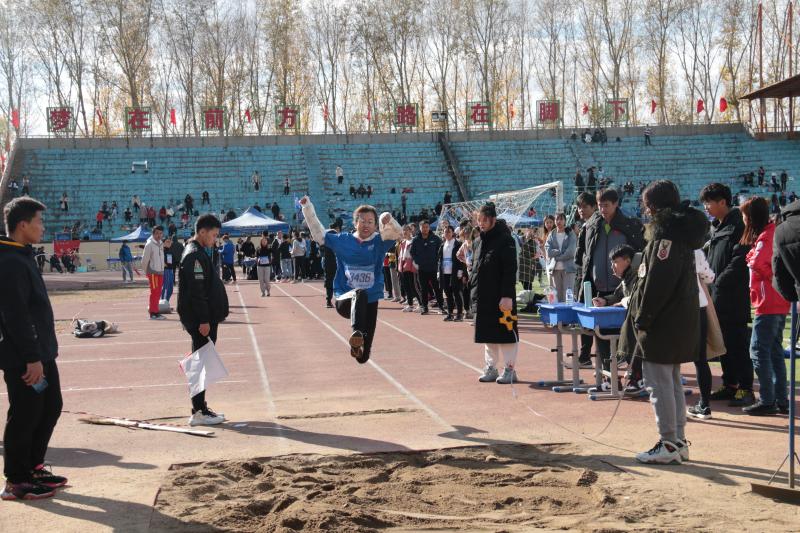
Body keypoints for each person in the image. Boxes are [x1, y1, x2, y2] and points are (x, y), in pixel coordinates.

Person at [619, 180, 709, 464]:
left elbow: (657, 285)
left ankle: (669, 442)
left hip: (663, 323)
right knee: (671, 382)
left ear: (655, 207)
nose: (646, 211)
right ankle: (677, 441)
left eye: (648, 206)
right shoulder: (680, 236)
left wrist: (643, 318)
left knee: (659, 384)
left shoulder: (665, 241)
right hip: (677, 320)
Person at [0, 197, 66, 500]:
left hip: (41, 352)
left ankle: (33, 466)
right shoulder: (9, 262)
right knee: (25, 413)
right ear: (22, 225)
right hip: (24, 356)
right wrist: (31, 357)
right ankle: (16, 479)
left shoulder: (22, 255)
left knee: (50, 406)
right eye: (39, 222)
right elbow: (15, 315)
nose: (43, 227)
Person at [300, 196, 402, 364]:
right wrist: (308, 208)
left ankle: (358, 346)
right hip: (345, 299)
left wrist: (388, 218)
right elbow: (319, 234)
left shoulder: (379, 242)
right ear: (355, 223)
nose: (366, 225)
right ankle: (356, 333)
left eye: (370, 222)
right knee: (359, 293)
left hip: (370, 302)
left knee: (363, 357)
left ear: (375, 226)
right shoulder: (343, 240)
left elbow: (397, 233)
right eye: (362, 221)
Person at [700, 183, 755, 406]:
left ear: (723, 202)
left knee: (737, 343)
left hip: (733, 297)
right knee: (722, 343)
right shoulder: (716, 227)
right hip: (715, 295)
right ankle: (730, 383)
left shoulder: (739, 225)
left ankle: (746, 389)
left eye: (709, 202)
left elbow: (740, 260)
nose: (706, 207)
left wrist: (719, 282)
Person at [577, 189, 644, 369]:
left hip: (623, 289)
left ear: (616, 204)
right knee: (601, 333)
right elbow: (583, 256)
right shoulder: (592, 225)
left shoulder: (630, 225)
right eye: (600, 205)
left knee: (625, 333)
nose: (602, 209)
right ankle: (606, 371)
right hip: (599, 288)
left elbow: (639, 253)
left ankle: (631, 370)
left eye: (606, 205)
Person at [738, 197, 791, 416]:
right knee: (775, 351)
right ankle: (780, 399)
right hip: (776, 301)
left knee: (758, 351)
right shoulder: (770, 233)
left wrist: (769, 277)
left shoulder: (766, 236)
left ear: (751, 217)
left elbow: (758, 262)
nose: (743, 219)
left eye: (744, 215)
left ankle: (768, 399)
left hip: (768, 302)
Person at [177, 215, 229, 426]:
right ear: (202, 232)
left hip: (202, 318)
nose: (215, 239)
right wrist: (204, 320)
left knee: (201, 362)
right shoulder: (195, 255)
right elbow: (197, 292)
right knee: (200, 364)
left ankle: (200, 408)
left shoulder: (198, 252)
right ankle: (198, 412)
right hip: (200, 321)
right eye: (214, 235)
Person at [470, 203, 519, 384]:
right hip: (483, 297)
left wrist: (507, 296)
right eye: (479, 220)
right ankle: (490, 367)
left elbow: (510, 270)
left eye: (485, 220)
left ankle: (510, 369)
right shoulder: (477, 242)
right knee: (487, 334)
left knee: (506, 334)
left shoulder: (506, 240)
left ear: (493, 219)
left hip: (501, 297)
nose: (481, 223)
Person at [592, 244, 644, 394]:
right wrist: (604, 300)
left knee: (630, 334)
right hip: (628, 322)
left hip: (642, 324)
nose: (612, 266)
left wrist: (622, 301)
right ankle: (611, 379)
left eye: (615, 262)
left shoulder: (639, 276)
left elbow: (637, 299)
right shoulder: (626, 278)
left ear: (627, 261)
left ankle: (637, 378)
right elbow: (617, 295)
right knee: (601, 331)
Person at [686, 248, 717, 420]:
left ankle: (672, 406)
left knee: (669, 359)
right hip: (698, 306)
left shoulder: (661, 246)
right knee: (700, 359)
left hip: (674, 309)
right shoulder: (695, 250)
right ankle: (705, 405)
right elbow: (709, 277)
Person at [410, 220, 444, 315]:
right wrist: (417, 261)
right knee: (423, 289)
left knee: (436, 288)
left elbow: (440, 250)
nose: (425, 229)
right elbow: (412, 252)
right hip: (422, 268)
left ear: (429, 228)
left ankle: (441, 306)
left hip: (433, 268)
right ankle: (425, 307)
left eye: (427, 227)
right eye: (423, 227)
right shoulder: (416, 240)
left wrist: (436, 260)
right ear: (420, 228)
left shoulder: (435, 238)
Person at [545, 212, 577, 302]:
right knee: (557, 296)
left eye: (561, 219)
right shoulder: (551, 234)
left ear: (565, 221)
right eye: (557, 219)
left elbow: (570, 252)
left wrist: (557, 257)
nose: (559, 221)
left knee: (568, 296)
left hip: (568, 269)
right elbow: (548, 251)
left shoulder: (570, 233)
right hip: (554, 269)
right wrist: (559, 252)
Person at [438, 225, 466, 321]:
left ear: (453, 233)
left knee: (456, 293)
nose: (447, 233)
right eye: (445, 232)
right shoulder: (443, 245)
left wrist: (461, 271)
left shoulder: (458, 244)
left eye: (449, 232)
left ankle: (459, 314)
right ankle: (450, 313)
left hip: (455, 272)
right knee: (447, 293)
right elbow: (440, 259)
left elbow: (462, 258)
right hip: (445, 272)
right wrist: (439, 271)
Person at [141, 225, 166, 320]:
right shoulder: (149, 244)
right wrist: (147, 271)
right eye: (157, 233)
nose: (159, 235)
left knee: (158, 292)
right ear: (153, 234)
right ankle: (153, 313)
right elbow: (144, 260)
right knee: (154, 292)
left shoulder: (161, 243)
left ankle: (156, 312)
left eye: (161, 233)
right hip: (153, 272)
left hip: (160, 272)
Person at [397, 225, 419, 312]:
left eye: (406, 230)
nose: (404, 232)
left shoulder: (414, 241)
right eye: (403, 230)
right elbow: (401, 255)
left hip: (412, 265)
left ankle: (421, 304)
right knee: (407, 286)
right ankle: (410, 305)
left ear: (410, 231)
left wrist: (415, 263)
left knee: (414, 286)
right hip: (404, 265)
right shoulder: (403, 242)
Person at [322, 224, 339, 307]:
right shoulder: (337, 243)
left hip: (328, 265)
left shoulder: (325, 244)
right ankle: (338, 300)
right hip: (336, 265)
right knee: (337, 281)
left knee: (329, 282)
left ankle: (328, 300)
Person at [256, 232, 272, 297]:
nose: (264, 242)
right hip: (260, 266)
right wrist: (257, 260)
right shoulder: (258, 249)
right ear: (261, 242)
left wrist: (271, 259)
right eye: (263, 241)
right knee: (261, 280)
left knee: (267, 279)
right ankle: (263, 292)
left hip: (267, 266)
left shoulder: (269, 249)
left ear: (267, 242)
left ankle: (268, 291)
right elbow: (257, 257)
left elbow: (273, 252)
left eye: (265, 241)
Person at [161, 236, 176, 304]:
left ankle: (166, 302)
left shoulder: (170, 250)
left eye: (170, 242)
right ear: (163, 243)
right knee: (166, 287)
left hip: (171, 270)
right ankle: (162, 303)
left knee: (170, 288)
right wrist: (163, 263)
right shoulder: (162, 250)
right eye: (167, 242)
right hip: (165, 271)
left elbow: (172, 261)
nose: (169, 243)